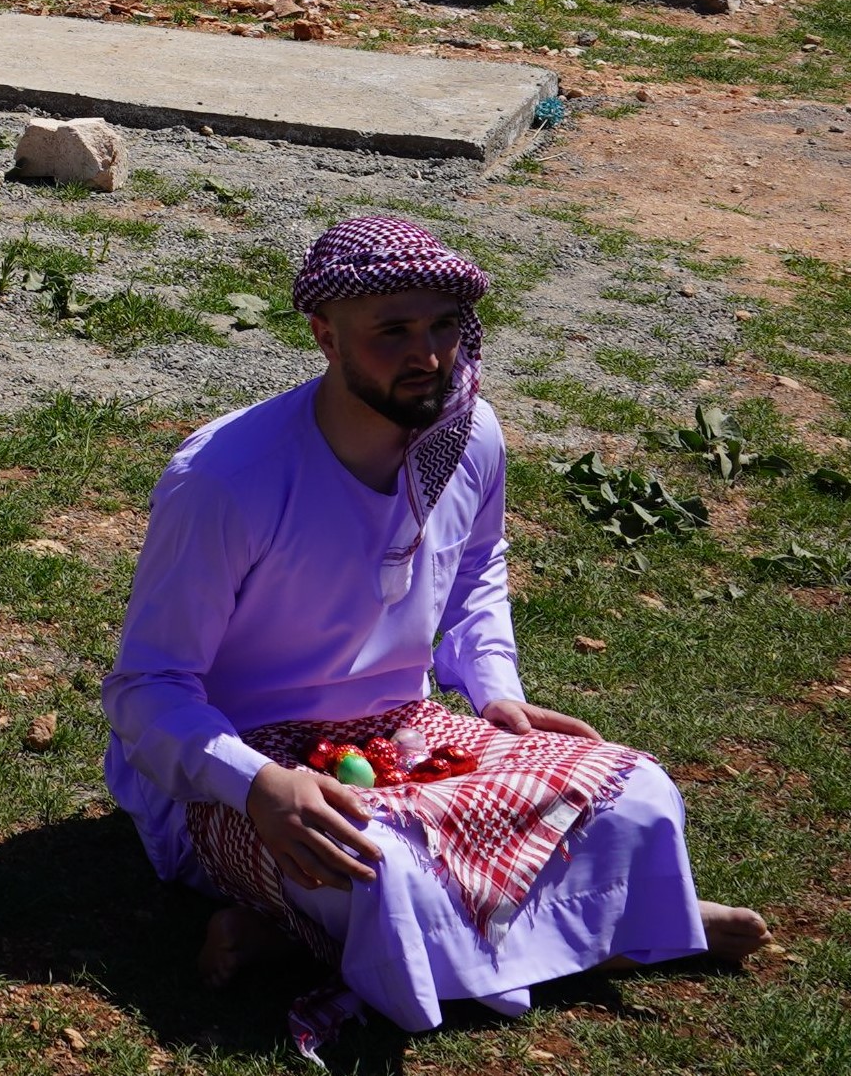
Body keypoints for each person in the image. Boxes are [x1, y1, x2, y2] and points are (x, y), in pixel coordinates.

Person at [102, 216, 770, 1050]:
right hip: (241, 768)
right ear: (324, 333)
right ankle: (609, 932)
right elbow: (147, 688)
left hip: (406, 737)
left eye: (444, 326)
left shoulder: (469, 436)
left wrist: (498, 694)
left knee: (638, 793)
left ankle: (295, 938)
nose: (429, 355)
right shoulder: (226, 479)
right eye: (393, 331)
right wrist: (257, 786)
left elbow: (476, 573)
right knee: (380, 870)